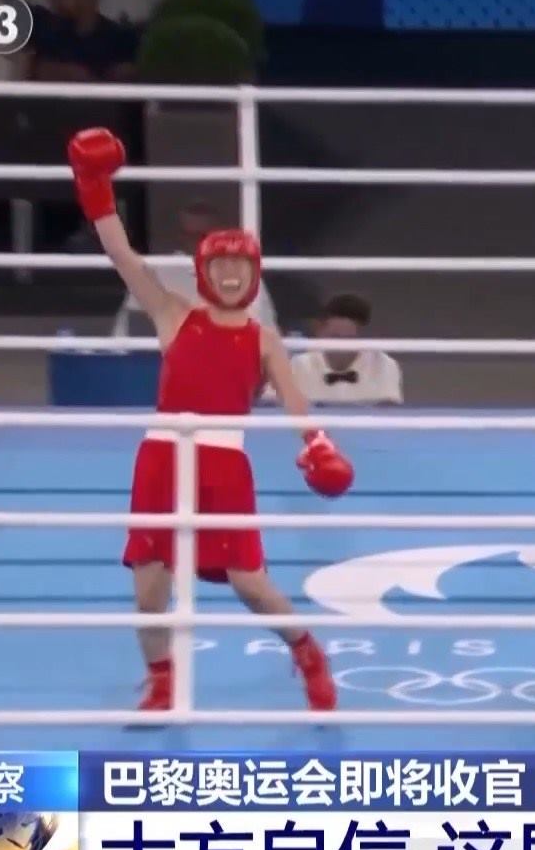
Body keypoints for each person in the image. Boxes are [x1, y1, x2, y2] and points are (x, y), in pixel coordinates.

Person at [68, 126, 355, 713]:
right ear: (204, 269)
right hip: (161, 454)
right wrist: (95, 189)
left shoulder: (263, 337)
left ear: (254, 273)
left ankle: (306, 651)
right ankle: (162, 681)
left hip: (223, 462)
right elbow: (122, 255)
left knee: (250, 582)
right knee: (149, 588)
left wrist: (317, 446)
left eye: (239, 266)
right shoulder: (174, 314)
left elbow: (294, 399)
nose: (229, 275)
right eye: (220, 265)